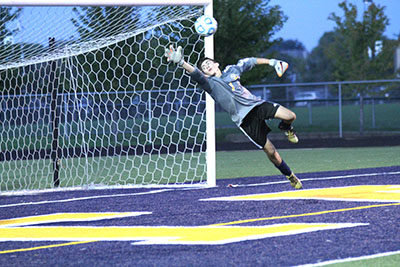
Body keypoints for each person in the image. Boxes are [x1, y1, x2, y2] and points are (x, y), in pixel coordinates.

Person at [164, 45, 302, 189]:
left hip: (256, 106)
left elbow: (250, 61)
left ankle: (286, 127)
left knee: (290, 115)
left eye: (208, 63)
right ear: (204, 72)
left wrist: (272, 62)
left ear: (216, 64)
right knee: (271, 151)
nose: (206, 66)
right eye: (204, 67)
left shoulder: (231, 70)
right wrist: (181, 62)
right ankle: (290, 176)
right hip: (245, 120)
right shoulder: (209, 84)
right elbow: (196, 74)